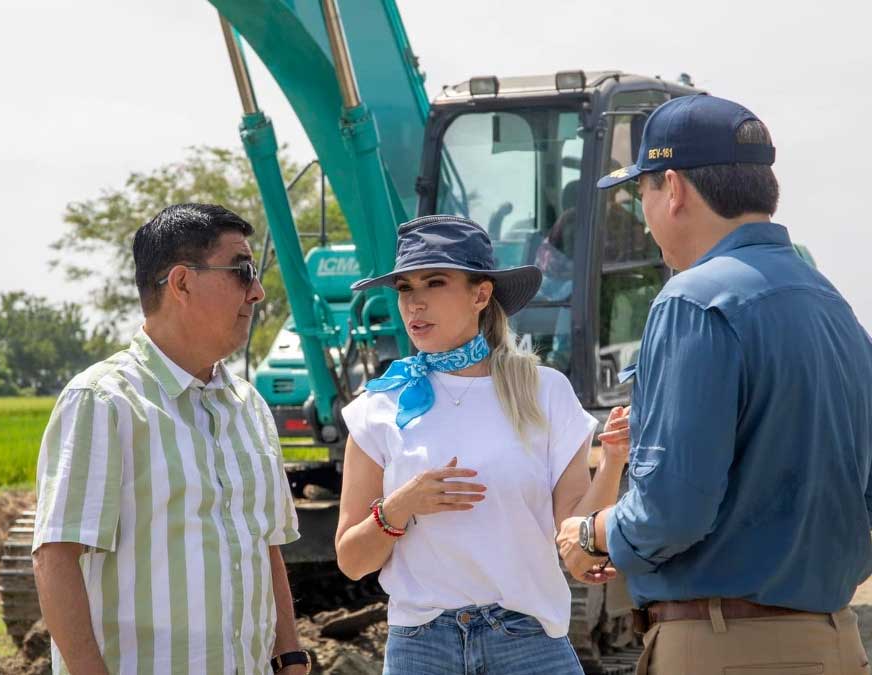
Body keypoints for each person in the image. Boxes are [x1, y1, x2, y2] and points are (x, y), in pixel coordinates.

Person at [557, 94, 872, 675]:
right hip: (836, 644)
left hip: (726, 647)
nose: (645, 215)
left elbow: (672, 511)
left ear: (672, 187)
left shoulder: (693, 300)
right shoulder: (832, 304)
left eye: (642, 193)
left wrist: (592, 532)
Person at [335, 214, 630, 675]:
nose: (415, 303)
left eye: (434, 282)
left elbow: (575, 545)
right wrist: (401, 506)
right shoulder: (377, 407)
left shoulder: (545, 391)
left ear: (481, 293)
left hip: (529, 644)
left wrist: (613, 460)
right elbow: (352, 561)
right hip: (420, 650)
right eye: (405, 289)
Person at [30, 203, 310, 675]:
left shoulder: (249, 406)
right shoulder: (102, 402)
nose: (258, 292)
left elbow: (265, 544)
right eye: (243, 272)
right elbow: (56, 558)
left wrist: (291, 656)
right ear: (181, 283)